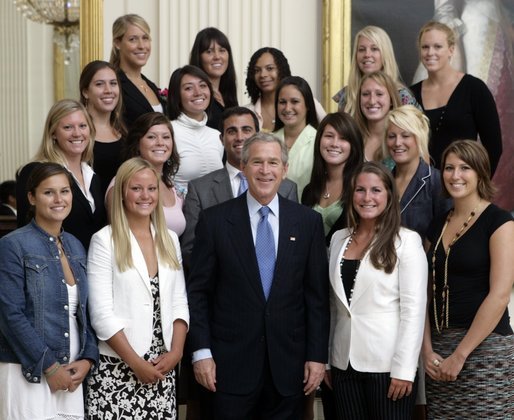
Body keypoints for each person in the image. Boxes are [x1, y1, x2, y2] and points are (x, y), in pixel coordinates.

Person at [187, 132, 330, 419]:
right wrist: (201, 352)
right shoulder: (215, 221)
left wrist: (317, 357)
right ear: (243, 166)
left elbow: (316, 297)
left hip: (288, 371)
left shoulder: (307, 222)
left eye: (273, 163)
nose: (265, 171)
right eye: (257, 162)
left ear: (285, 170)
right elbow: (199, 293)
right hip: (228, 369)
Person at [86, 157, 189, 419]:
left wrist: (176, 353)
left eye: (151, 188)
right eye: (136, 188)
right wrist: (135, 363)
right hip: (117, 369)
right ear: (121, 193)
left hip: (162, 369)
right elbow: (101, 315)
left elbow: (179, 303)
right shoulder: (103, 241)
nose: (145, 196)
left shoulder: (170, 239)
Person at [328, 162, 428, 419]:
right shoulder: (339, 238)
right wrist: (328, 359)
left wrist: (405, 370)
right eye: (360, 190)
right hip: (343, 363)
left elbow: (413, 311)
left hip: (388, 366)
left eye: (376, 190)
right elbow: (331, 305)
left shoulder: (406, 241)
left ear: (389, 196)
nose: (367, 197)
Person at [0, 162, 98, 420]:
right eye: (48, 192)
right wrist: (50, 366)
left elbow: (86, 313)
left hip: (71, 373)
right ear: (31, 197)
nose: (59, 199)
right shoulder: (12, 245)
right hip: (28, 371)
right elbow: (10, 315)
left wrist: (88, 358)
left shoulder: (76, 246)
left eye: (64, 191)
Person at [423, 140, 514, 418]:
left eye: (465, 167)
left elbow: (499, 296)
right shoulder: (437, 224)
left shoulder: (499, 222)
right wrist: (426, 350)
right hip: (439, 353)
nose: (455, 175)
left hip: (485, 350)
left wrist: (461, 355)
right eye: (449, 168)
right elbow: (425, 292)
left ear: (480, 173)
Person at [181, 106, 298, 268]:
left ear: (257, 134)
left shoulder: (287, 187)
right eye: (232, 131)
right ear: (221, 138)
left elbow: (292, 246)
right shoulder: (200, 189)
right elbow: (190, 250)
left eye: (246, 130)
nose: (240, 137)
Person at [410, 21, 502, 173]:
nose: (430, 52)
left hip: (460, 186)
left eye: (437, 46)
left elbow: (494, 147)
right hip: (422, 188)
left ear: (451, 50)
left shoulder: (474, 88)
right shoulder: (411, 94)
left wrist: (477, 186)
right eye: (425, 47)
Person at [16, 99, 106, 250]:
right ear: (53, 133)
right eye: (68, 127)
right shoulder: (34, 171)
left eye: (83, 126)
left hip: (90, 268)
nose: (77, 133)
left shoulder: (93, 177)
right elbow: (26, 232)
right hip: (53, 268)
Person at [106, 112, 185, 236]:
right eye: (151, 137)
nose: (160, 143)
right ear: (137, 143)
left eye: (166, 137)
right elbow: (120, 236)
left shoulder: (173, 187)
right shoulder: (121, 183)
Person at [384, 105, 452, 239]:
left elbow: (445, 234)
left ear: (419, 138)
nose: (397, 143)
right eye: (392, 136)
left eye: (405, 136)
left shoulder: (437, 182)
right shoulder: (383, 181)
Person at [302, 112, 364, 240]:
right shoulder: (309, 190)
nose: (335, 143)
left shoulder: (361, 189)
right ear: (319, 140)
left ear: (353, 145)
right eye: (329, 136)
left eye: (343, 138)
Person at [332, 25, 419, 114]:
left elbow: (419, 126)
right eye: (361, 50)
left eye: (374, 49)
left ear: (385, 55)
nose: (367, 54)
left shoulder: (401, 96)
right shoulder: (348, 95)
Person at [167, 65, 223, 194]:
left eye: (203, 86)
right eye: (188, 88)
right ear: (177, 95)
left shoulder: (217, 135)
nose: (198, 92)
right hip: (181, 211)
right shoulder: (168, 132)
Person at [244, 47, 326, 132]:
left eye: (270, 68)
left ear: (281, 70)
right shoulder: (248, 111)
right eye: (257, 70)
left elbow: (328, 131)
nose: (263, 75)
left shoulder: (305, 101)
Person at [80, 60, 127, 196]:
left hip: (119, 213)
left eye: (113, 83)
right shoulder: (77, 134)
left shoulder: (124, 132)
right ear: (85, 92)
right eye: (99, 84)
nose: (108, 90)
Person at [110, 14, 165, 129]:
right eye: (133, 39)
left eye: (145, 38)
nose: (141, 46)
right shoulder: (112, 83)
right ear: (117, 43)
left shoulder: (151, 85)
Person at [272, 76, 318, 198]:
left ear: (308, 105)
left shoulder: (319, 141)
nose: (287, 108)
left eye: (294, 101)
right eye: (282, 102)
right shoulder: (268, 140)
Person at [189, 27, 238, 130]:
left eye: (222, 50)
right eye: (209, 51)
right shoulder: (196, 96)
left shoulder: (227, 94)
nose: (217, 56)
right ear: (199, 57)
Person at [354, 71, 401, 166]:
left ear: (391, 100)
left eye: (379, 94)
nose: (372, 101)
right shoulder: (352, 137)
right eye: (366, 94)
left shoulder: (403, 139)